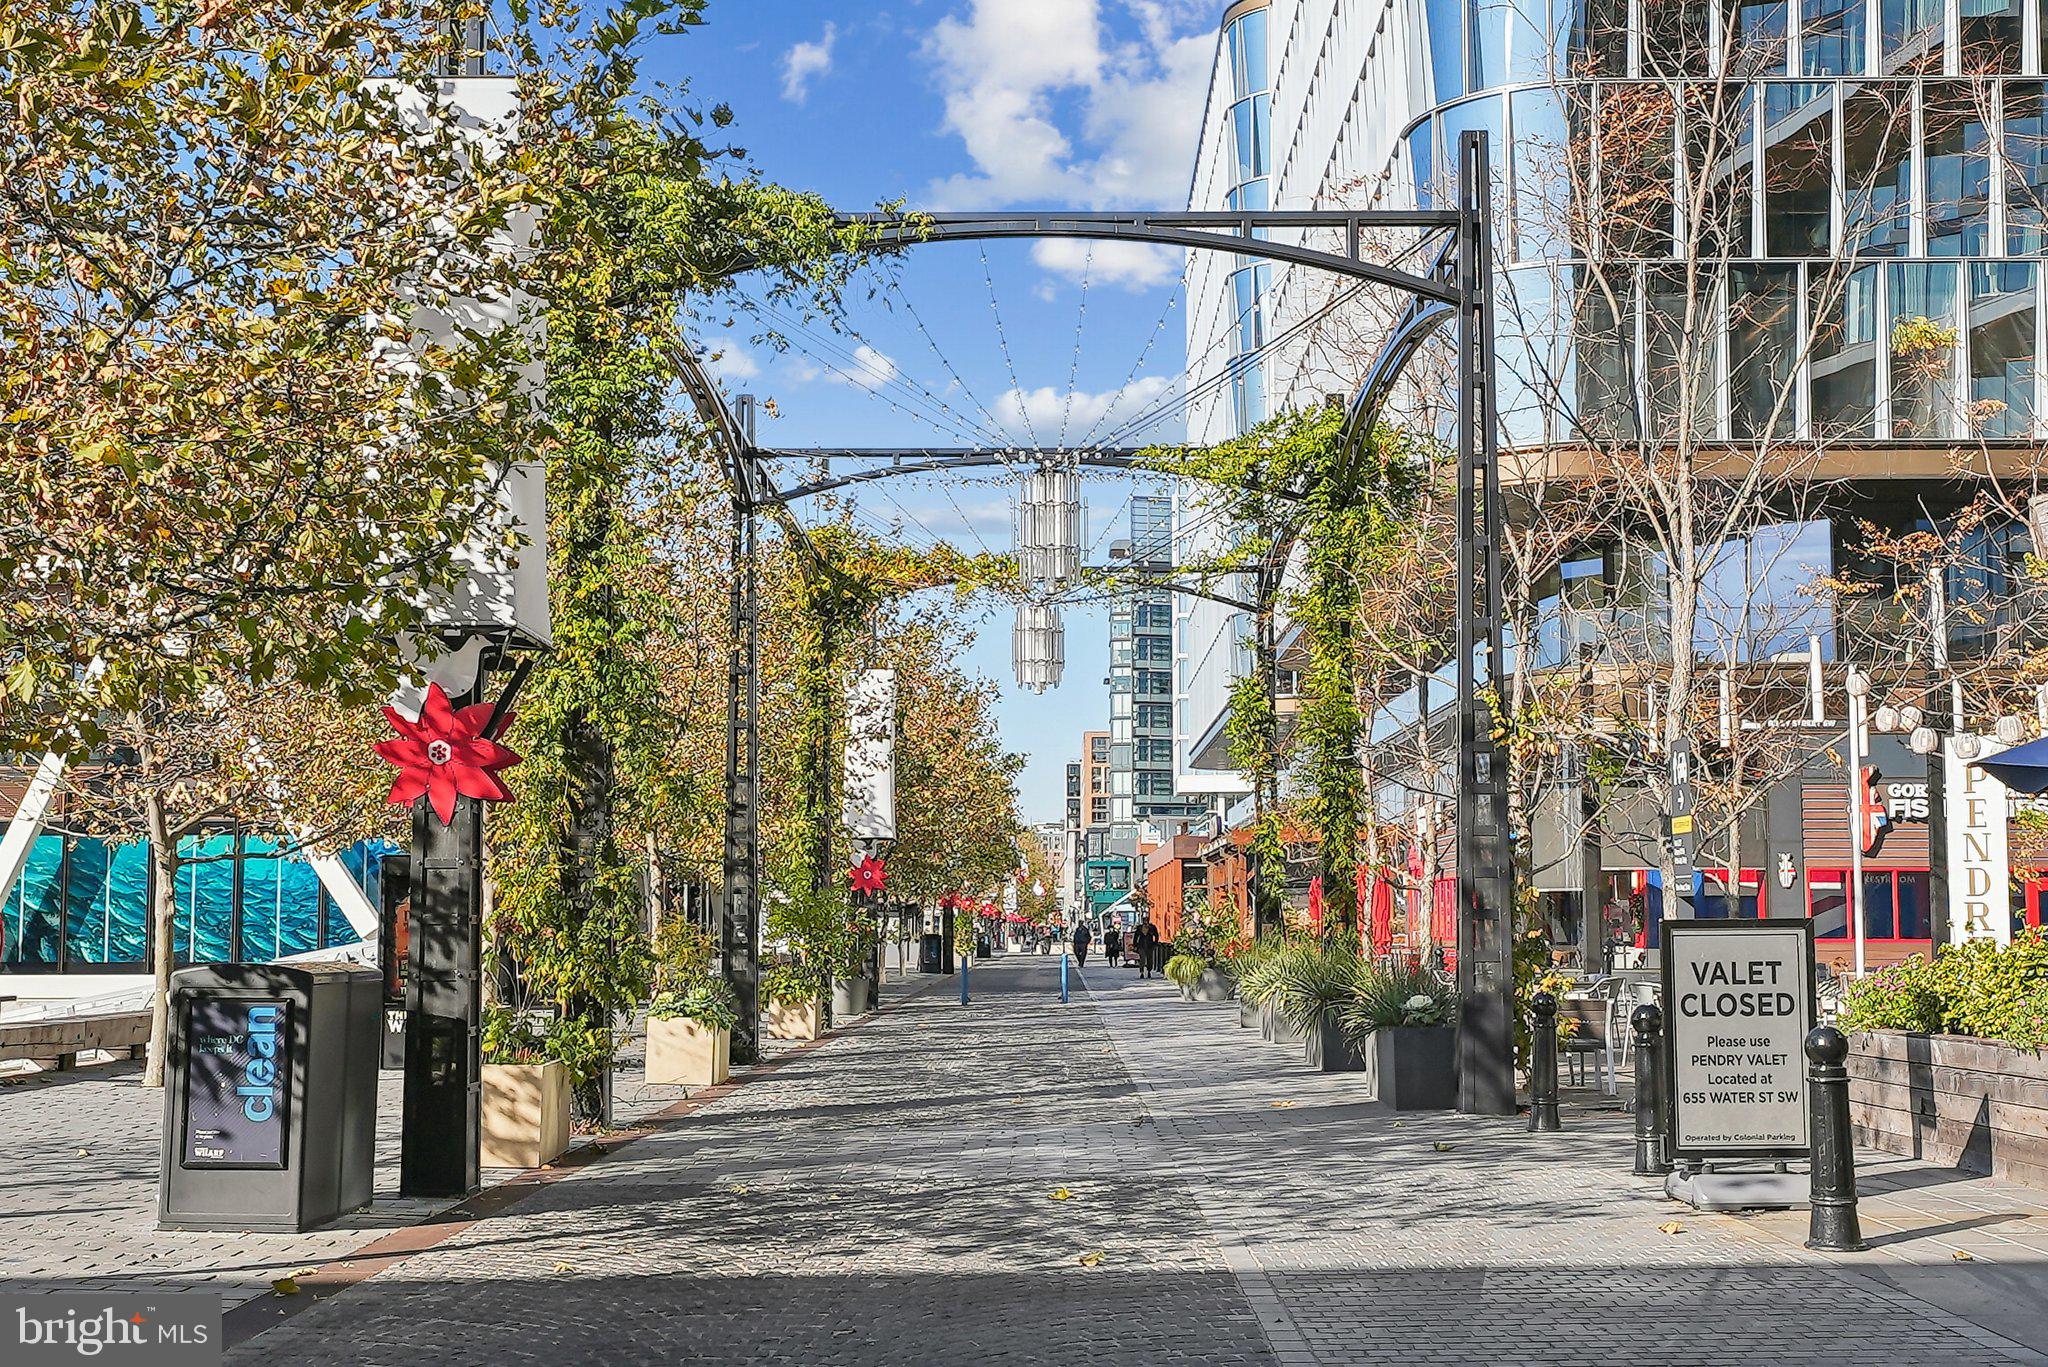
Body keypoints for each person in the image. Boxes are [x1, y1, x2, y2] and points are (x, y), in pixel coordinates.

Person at [1133, 914, 1160, 979]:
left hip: (1149, 945)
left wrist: (1155, 943)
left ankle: (1149, 971)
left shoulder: (1152, 927)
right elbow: (1136, 937)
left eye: (1146, 920)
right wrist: (1135, 945)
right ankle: (1141, 972)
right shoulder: (1140, 927)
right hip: (1141, 945)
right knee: (1142, 959)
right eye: (1144, 920)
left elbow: (1156, 935)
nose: (1145, 922)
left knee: (1149, 959)